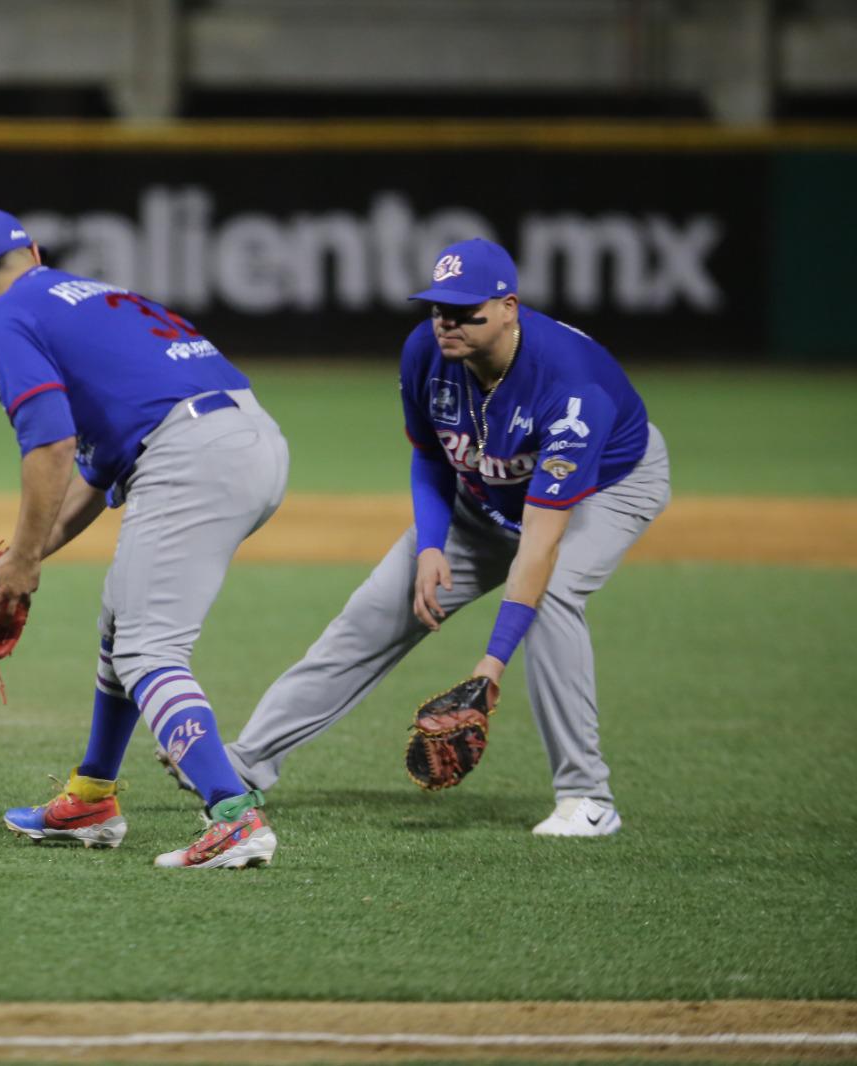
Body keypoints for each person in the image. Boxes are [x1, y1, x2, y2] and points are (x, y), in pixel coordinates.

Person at [211, 238, 669, 837]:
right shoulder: (427, 352)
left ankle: (587, 797)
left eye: (465, 311)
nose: (447, 323)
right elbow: (431, 455)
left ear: (509, 307)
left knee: (552, 596)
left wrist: (491, 666)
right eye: (437, 308)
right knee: (374, 610)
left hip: (603, 491)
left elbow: (538, 541)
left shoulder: (572, 388)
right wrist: (430, 546)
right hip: (480, 495)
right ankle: (244, 763)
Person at [0, 209, 290, 870]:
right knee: (121, 624)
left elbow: (50, 441)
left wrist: (20, 562)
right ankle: (91, 799)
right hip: (252, 437)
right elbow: (96, 475)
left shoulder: (1, 318)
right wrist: (23, 559)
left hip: (190, 453)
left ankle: (233, 816)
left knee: (148, 649)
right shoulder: (94, 297)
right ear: (35, 251)